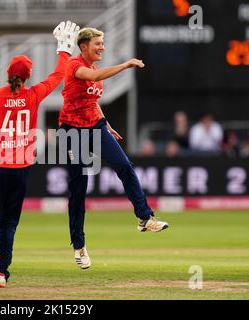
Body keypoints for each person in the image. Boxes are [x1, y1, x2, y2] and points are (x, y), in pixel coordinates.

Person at [0, 21, 80, 288]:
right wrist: (64, 49)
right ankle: (2, 274)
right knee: (9, 223)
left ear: (8, 74)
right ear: (27, 76)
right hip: (21, 169)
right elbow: (58, 75)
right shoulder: (33, 95)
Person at [58, 27, 169, 270]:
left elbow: (92, 101)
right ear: (84, 46)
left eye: (103, 43)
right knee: (78, 189)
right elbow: (94, 79)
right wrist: (126, 65)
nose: (102, 47)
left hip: (95, 127)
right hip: (71, 131)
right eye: (98, 43)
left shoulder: (94, 68)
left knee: (124, 166)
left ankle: (144, 217)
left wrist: (106, 124)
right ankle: (79, 246)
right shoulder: (75, 65)